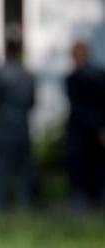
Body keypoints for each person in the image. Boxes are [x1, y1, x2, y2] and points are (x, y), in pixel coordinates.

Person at [0, 40, 35, 209]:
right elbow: (32, 103)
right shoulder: (27, 75)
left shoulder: (0, 75)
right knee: (23, 170)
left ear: (6, 52)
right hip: (22, 127)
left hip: (2, 127)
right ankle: (24, 204)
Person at [65, 41, 105, 207]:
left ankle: (81, 201)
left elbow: (76, 105)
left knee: (80, 167)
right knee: (98, 166)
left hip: (80, 129)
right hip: (98, 127)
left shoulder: (73, 78)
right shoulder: (100, 75)